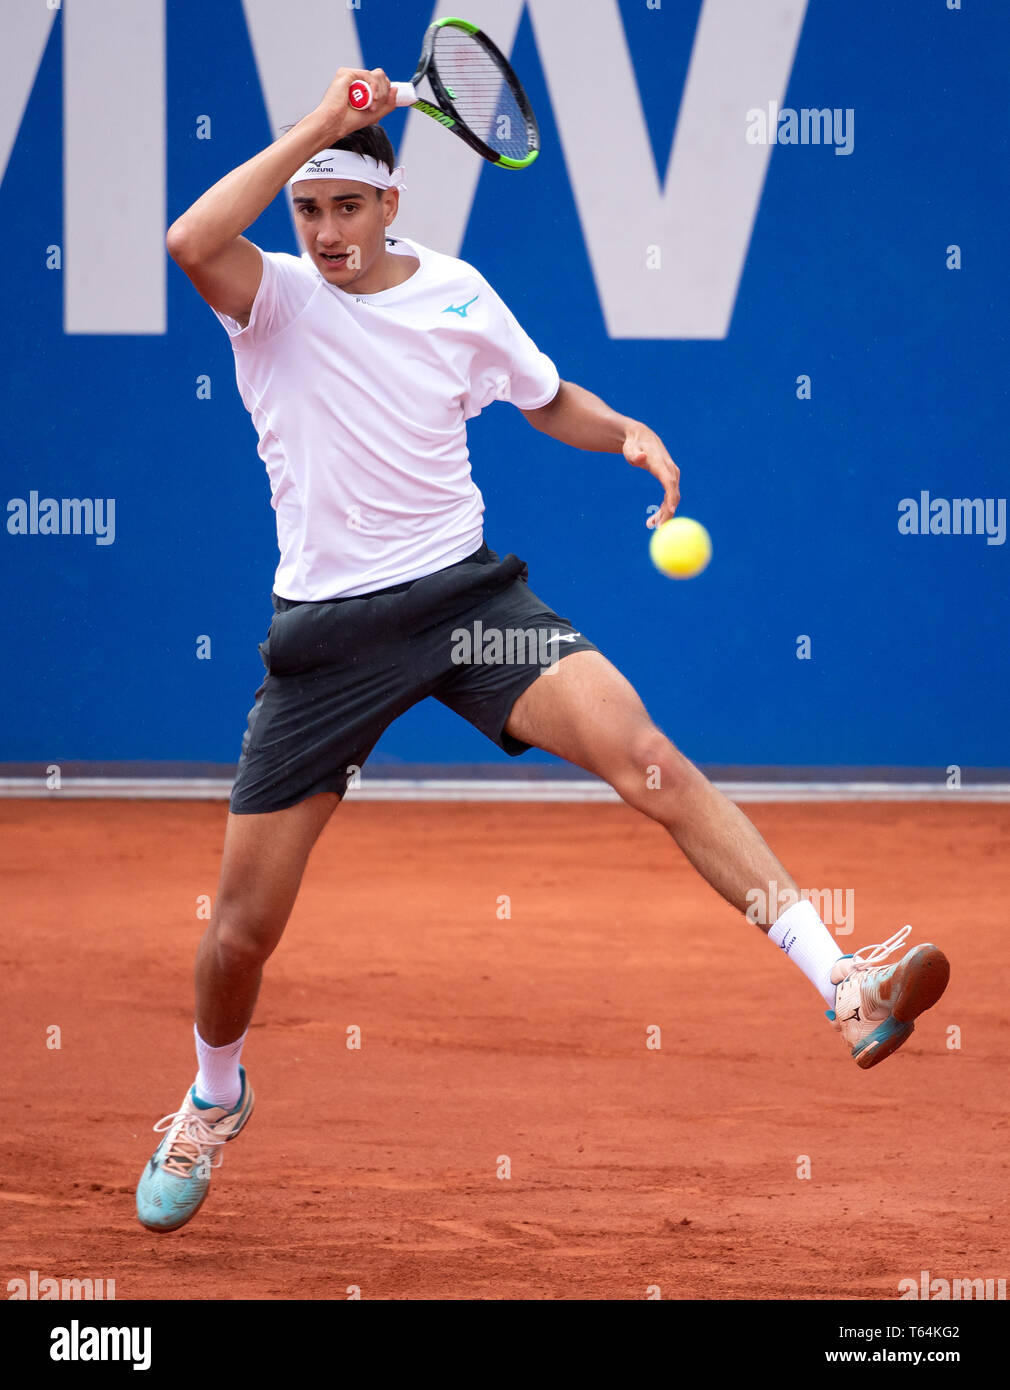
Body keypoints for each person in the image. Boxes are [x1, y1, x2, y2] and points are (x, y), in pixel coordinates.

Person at [136, 67, 950, 1233]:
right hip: (326, 636)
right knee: (237, 934)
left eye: (347, 207)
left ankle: (843, 981)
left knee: (646, 755)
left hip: (467, 602)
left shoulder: (459, 296)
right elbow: (185, 237)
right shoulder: (267, 297)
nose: (324, 232)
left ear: (390, 204)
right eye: (308, 210)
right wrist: (323, 121)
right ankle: (214, 1097)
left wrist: (621, 432)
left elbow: (542, 394)